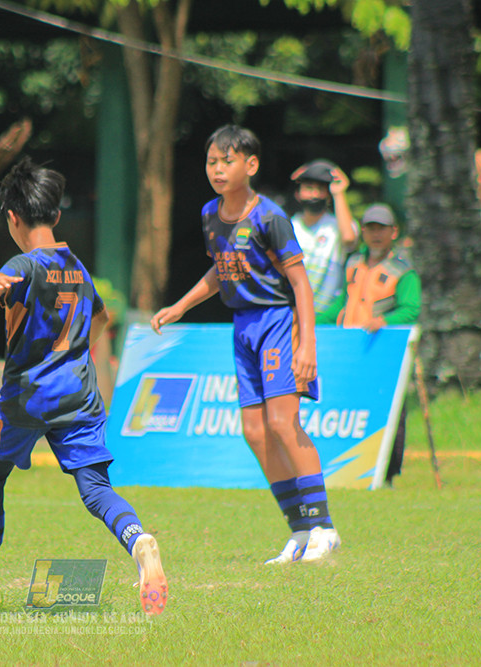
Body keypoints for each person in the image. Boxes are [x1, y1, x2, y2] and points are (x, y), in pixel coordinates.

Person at [0, 156, 168, 614]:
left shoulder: (23, 263)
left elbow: (7, 280)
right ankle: (138, 539)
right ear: (57, 215)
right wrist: (71, 354)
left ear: (12, 217)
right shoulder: (77, 267)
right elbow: (100, 318)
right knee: (95, 487)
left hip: (28, 398)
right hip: (79, 396)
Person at [150, 125, 340, 565]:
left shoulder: (270, 217)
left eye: (227, 161)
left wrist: (307, 346)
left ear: (250, 165)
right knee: (253, 431)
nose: (217, 169)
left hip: (277, 322)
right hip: (242, 328)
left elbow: (301, 283)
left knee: (283, 423)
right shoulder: (209, 214)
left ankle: (324, 528)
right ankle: (299, 530)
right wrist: (180, 306)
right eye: (211, 162)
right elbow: (222, 270)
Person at [317, 203, 421, 485]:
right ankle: (347, 471)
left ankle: (388, 474)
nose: (376, 234)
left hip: (384, 350)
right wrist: (313, 320)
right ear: (363, 231)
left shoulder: (403, 270)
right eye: (371, 228)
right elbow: (342, 304)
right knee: (351, 407)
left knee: (390, 410)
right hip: (351, 350)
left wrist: (384, 321)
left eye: (381, 229)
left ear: (393, 232)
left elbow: (412, 309)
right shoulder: (352, 263)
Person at [289, 159, 359, 316]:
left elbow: (349, 238)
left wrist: (339, 193)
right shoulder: (290, 226)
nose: (314, 194)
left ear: (328, 196)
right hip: (294, 314)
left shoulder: (336, 225)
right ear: (297, 194)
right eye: (308, 188)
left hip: (327, 316)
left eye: (320, 189)